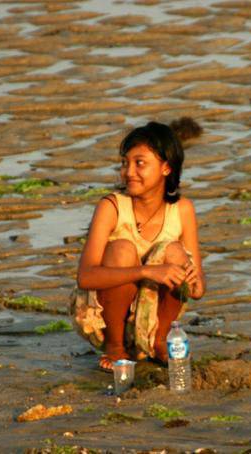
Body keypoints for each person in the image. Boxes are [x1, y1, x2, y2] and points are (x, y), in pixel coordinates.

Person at [71, 120, 205, 372]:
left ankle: (157, 341)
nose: (128, 171)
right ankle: (116, 347)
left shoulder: (183, 210)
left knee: (174, 252)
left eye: (139, 163)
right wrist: (146, 271)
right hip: (102, 322)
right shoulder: (111, 207)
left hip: (152, 318)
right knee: (122, 249)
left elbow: (198, 290)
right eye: (125, 163)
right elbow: (85, 277)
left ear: (166, 168)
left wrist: (191, 278)